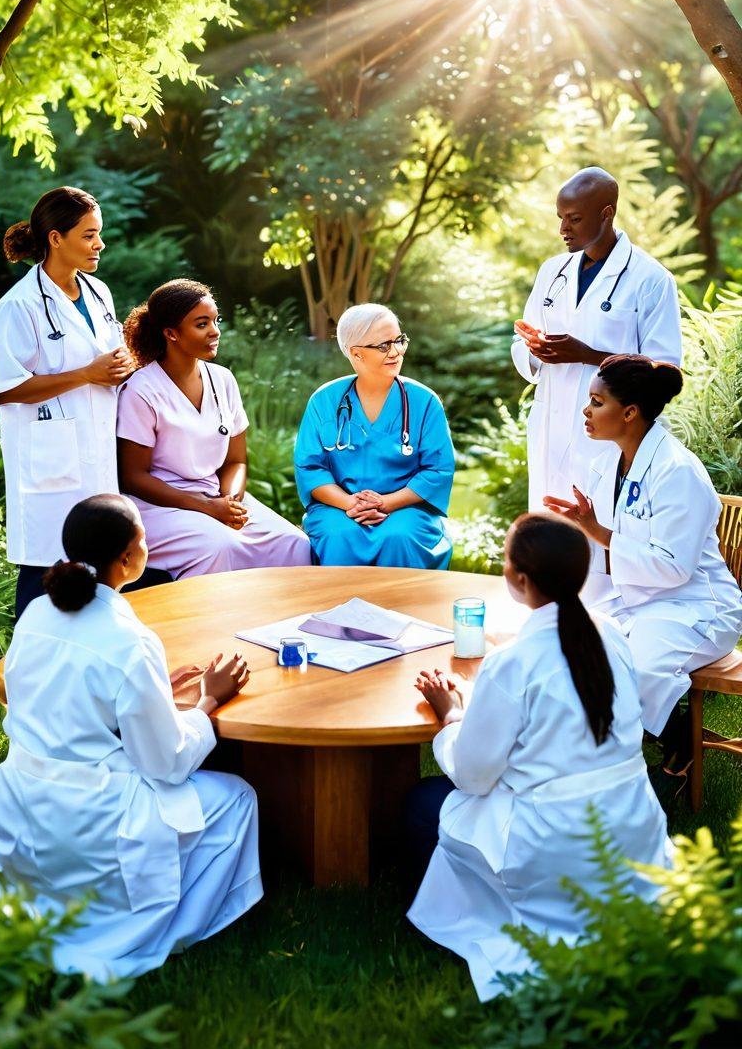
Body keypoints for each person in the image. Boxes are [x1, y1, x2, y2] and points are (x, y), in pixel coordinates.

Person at [0, 494, 262, 982]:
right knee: (238, 799)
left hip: (22, 803)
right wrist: (207, 702)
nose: (148, 545)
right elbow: (167, 762)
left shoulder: (37, 614)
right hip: (92, 819)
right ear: (129, 559)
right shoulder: (130, 640)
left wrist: (158, 689)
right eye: (144, 538)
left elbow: (70, 693)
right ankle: (166, 928)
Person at [406, 513, 671, 1003]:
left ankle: (472, 901)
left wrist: (452, 716)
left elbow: (472, 776)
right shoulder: (611, 634)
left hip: (553, 843)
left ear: (519, 580)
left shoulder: (511, 663)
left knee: (421, 806)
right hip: (632, 827)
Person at [543, 354, 742, 761]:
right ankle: (673, 737)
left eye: (597, 402)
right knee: (562, 648)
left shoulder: (676, 470)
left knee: (631, 671)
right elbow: (617, 546)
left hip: (697, 608)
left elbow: (673, 566)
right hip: (641, 599)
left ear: (630, 412)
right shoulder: (609, 461)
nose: (586, 409)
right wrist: (590, 528)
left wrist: (601, 533)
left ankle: (615, 767)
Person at [0, 187, 134, 619]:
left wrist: (120, 364)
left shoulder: (98, 292)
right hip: (50, 461)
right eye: (89, 235)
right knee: (44, 571)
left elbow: (104, 356)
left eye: (99, 234)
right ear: (56, 238)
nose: (99, 244)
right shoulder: (19, 305)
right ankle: (27, 671)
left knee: (99, 564)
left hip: (96, 450)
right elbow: (8, 388)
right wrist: (86, 375)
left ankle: (90, 663)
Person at [511, 166, 681, 511]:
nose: (562, 229)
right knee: (549, 535)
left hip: (610, 436)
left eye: (573, 218)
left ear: (607, 214)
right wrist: (536, 350)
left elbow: (665, 370)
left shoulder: (651, 280)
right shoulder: (552, 272)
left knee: (599, 534)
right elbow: (521, 347)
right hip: (551, 420)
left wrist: (588, 355)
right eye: (560, 217)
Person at [117, 279, 311, 578]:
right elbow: (133, 477)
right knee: (219, 547)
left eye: (215, 320)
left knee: (293, 543)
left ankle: (281, 623)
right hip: (159, 506)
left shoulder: (223, 380)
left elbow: (236, 460)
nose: (215, 330)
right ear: (171, 333)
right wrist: (206, 508)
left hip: (217, 495)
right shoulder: (141, 390)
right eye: (202, 323)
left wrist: (229, 501)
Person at [294, 304, 455, 568]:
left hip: (406, 508)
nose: (396, 352)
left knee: (399, 536)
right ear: (356, 354)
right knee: (338, 535)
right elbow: (310, 469)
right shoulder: (324, 401)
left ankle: (402, 608)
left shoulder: (424, 402)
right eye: (383, 346)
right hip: (339, 507)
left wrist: (385, 502)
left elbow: (438, 469)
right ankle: (338, 609)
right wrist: (349, 503)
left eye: (399, 341)